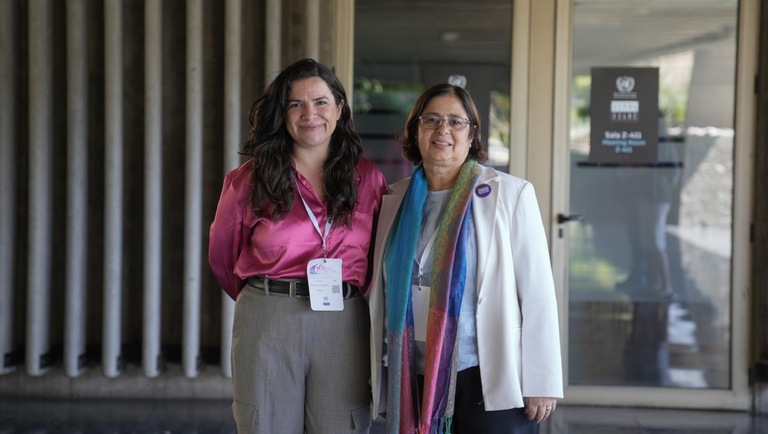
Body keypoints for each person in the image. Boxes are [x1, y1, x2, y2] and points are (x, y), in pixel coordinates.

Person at [366, 84, 563, 433]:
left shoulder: (511, 194)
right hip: (412, 374)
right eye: (432, 120)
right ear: (416, 131)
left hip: (485, 370)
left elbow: (538, 292)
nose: (443, 130)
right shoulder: (392, 200)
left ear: (472, 135)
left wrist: (542, 380)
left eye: (456, 121)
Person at [209, 59, 388, 434]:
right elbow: (223, 256)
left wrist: (346, 293)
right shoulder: (248, 180)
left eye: (321, 102)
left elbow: (377, 258)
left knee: (342, 425)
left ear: (339, 109)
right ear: (283, 112)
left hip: (343, 319)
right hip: (268, 317)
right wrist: (266, 300)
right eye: (296, 104)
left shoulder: (368, 178)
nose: (310, 114)